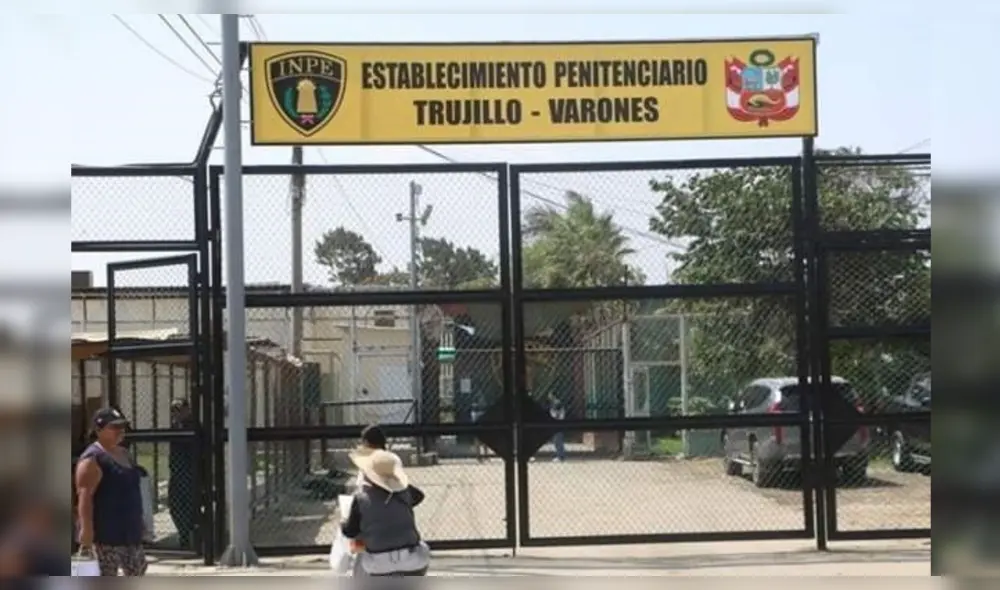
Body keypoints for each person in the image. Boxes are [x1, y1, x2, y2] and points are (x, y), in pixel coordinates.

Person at [74, 408, 148, 577]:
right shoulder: (92, 459)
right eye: (114, 427)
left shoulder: (124, 454)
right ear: (99, 430)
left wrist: (140, 520)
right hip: (107, 535)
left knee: (138, 570)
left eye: (122, 426)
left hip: (130, 531)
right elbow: (84, 496)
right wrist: (86, 530)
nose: (120, 431)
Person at [342, 448, 430, 577]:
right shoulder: (405, 493)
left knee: (359, 549)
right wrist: (398, 485)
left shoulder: (361, 499)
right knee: (424, 548)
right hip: (412, 561)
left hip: (377, 565)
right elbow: (419, 496)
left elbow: (350, 531)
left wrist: (343, 522)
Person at [168, 399, 197, 550]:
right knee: (174, 504)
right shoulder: (174, 426)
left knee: (190, 504)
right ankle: (184, 533)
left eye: (179, 409)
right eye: (173, 410)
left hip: (191, 472)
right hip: (176, 471)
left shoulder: (193, 425)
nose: (176, 413)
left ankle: (190, 534)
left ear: (187, 410)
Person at [549, 394, 567, 462]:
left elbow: (556, 414)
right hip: (558, 423)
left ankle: (560, 456)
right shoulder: (556, 403)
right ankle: (560, 455)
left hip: (557, 423)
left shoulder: (556, 403)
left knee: (558, 440)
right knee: (558, 440)